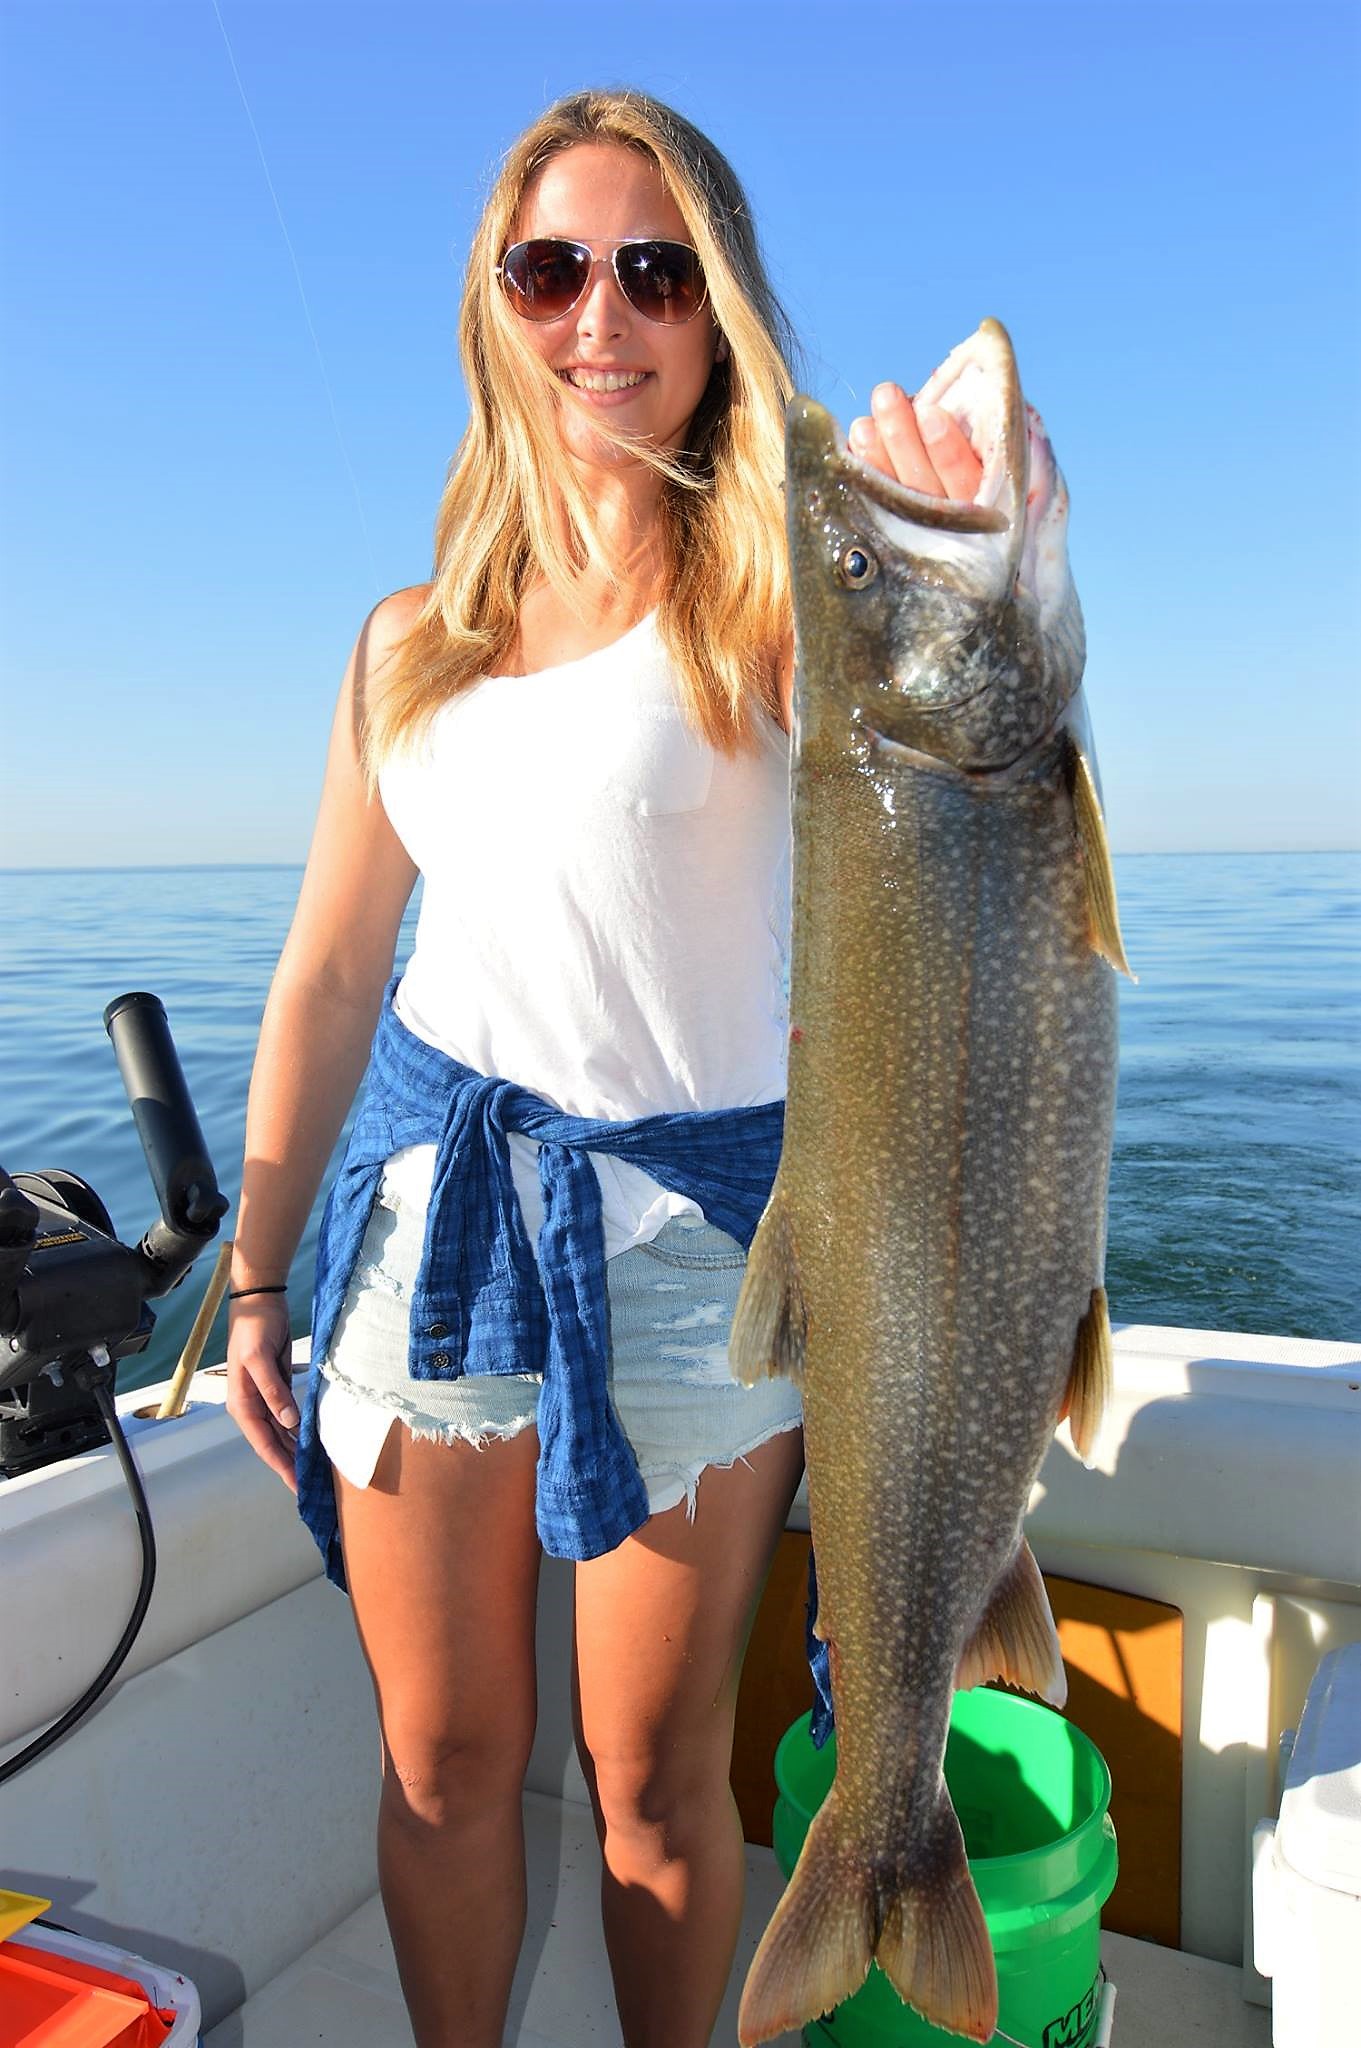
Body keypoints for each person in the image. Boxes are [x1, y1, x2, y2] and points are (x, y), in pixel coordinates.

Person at [225, 86, 981, 2048]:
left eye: (656, 272)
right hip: (426, 1216)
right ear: (497, 301)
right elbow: (322, 974)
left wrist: (970, 533)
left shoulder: (773, 596)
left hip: (688, 1239)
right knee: (444, 1767)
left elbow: (961, 741)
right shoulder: (409, 639)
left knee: (656, 1794)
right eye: (553, 267)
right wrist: (252, 1267)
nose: (602, 316)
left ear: (714, 309)